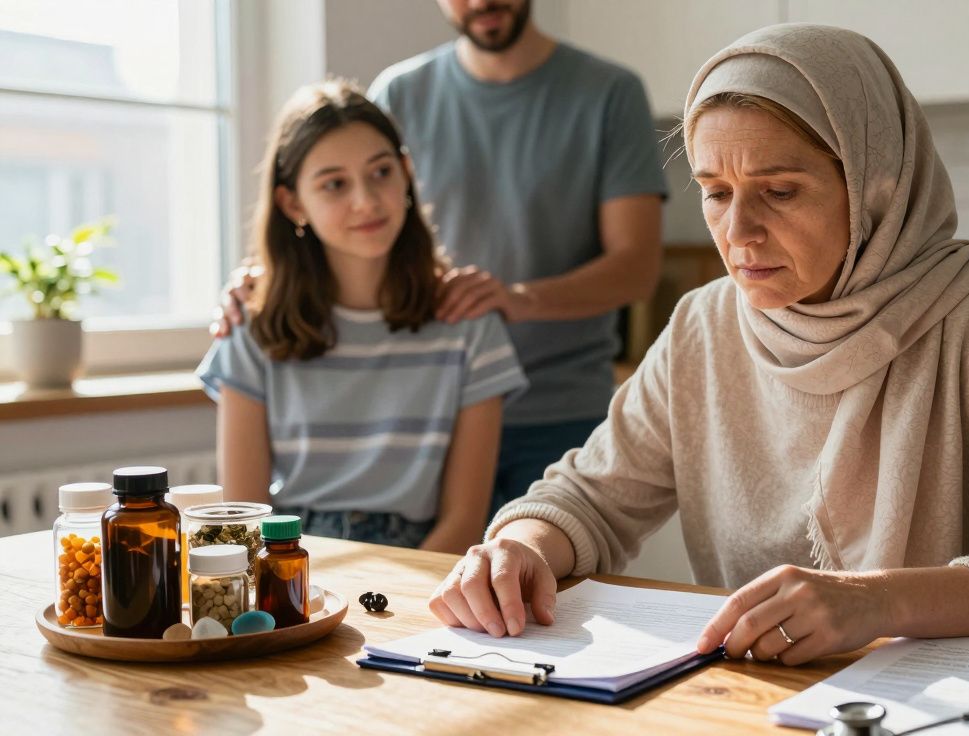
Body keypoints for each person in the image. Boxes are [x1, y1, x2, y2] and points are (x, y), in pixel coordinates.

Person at [428, 24, 969, 664]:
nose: (738, 232)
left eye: (781, 191)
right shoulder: (703, 324)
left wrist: (876, 601)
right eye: (715, 191)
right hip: (754, 696)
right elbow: (589, 497)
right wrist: (518, 546)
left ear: (875, 187)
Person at [215, 0, 667, 521]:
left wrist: (516, 300)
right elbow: (338, 209)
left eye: (383, 174)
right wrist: (266, 283)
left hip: (558, 412)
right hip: (426, 417)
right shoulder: (400, 92)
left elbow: (637, 268)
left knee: (558, 571)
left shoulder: (609, 93)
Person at [197, 80, 527, 551]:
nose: (367, 201)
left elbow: (463, 522)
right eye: (335, 184)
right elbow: (245, 520)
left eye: (381, 172)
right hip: (293, 555)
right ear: (293, 203)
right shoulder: (250, 331)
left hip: (424, 560)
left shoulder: (470, 326)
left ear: (406, 174)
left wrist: (405, 594)